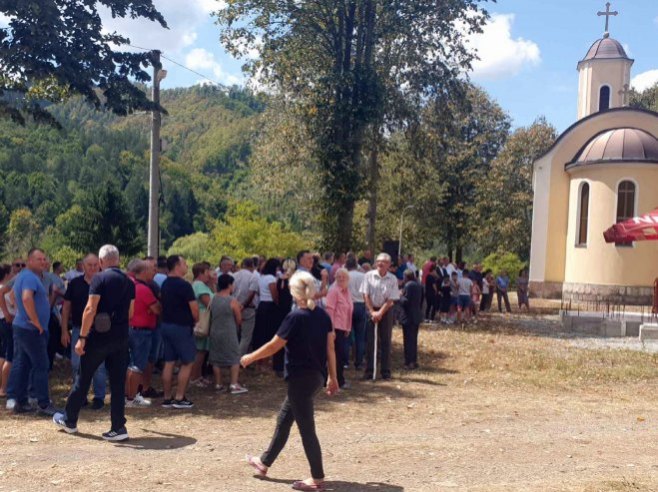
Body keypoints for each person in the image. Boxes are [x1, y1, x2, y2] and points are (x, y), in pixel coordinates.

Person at [242, 271, 338, 491]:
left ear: (295, 292)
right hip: (316, 377)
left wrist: (250, 357)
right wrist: (332, 377)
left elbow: (275, 345)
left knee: (307, 429)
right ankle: (264, 462)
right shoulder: (323, 316)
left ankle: (317, 478)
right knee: (285, 419)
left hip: (300, 379)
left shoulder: (295, 317)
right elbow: (330, 348)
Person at [53, 244, 135, 440]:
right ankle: (118, 427)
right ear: (119, 260)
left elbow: (90, 309)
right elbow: (131, 313)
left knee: (83, 377)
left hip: (98, 338)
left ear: (101, 262)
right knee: (116, 383)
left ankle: (70, 419)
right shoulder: (128, 281)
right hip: (121, 338)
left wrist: (81, 337)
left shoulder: (99, 278)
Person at [6, 248, 58, 416]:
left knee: (23, 364)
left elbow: (13, 296)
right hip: (31, 329)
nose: (43, 262)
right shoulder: (29, 277)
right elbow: (27, 297)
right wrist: (36, 321)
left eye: (44, 259)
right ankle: (43, 403)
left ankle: (20, 401)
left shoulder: (23, 276)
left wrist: (21, 312)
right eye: (38, 259)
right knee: (41, 365)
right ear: (29, 261)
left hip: (23, 327)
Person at [60, 253, 106, 410]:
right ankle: (80, 396)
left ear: (99, 265)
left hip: (99, 330)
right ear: (83, 266)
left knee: (99, 366)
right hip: (78, 329)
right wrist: (64, 330)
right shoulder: (74, 283)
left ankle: (99, 398)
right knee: (76, 363)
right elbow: (66, 308)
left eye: (95, 265)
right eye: (89, 265)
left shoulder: (104, 283)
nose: (92, 268)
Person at [159, 255, 199, 409]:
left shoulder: (165, 284)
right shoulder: (184, 285)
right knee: (187, 362)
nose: (187, 266)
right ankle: (180, 397)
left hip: (166, 325)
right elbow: (194, 309)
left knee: (169, 362)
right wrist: (196, 320)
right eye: (184, 263)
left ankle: (167, 397)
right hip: (181, 327)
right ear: (177, 266)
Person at [125, 260, 160, 408]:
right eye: (151, 269)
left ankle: (130, 395)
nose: (154, 272)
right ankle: (131, 398)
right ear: (143, 272)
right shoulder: (143, 289)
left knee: (131, 365)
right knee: (137, 365)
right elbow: (157, 309)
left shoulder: (129, 285)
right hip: (141, 331)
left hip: (130, 329)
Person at [360, 253, 400, 380]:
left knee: (386, 341)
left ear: (389, 264)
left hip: (386, 310)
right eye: (378, 261)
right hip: (371, 309)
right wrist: (372, 312)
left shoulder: (392, 279)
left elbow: (391, 299)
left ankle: (385, 371)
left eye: (383, 262)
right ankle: (369, 370)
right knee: (370, 341)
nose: (380, 264)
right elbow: (365, 295)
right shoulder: (368, 276)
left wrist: (380, 313)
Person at [209, 274, 247, 394]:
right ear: (229, 285)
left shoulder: (213, 298)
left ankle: (218, 384)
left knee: (216, 358)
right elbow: (239, 319)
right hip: (228, 331)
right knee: (234, 357)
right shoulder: (232, 300)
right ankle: (234, 383)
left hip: (214, 330)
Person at [325, 268, 353, 389]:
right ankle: (337, 381)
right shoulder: (333, 291)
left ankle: (338, 379)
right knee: (336, 355)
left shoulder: (346, 291)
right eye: (339, 277)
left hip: (343, 327)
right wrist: (331, 330)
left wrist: (348, 327)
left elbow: (348, 311)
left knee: (341, 355)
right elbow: (329, 311)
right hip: (335, 328)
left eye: (344, 277)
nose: (341, 279)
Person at [252, 258, 280, 371]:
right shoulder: (271, 278)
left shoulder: (261, 277)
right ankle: (265, 361)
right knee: (268, 334)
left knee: (261, 333)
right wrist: (279, 303)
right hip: (270, 306)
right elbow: (274, 294)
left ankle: (259, 361)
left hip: (262, 305)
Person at [190, 262, 213, 388]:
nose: (209, 274)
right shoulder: (199, 286)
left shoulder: (203, 285)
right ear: (201, 273)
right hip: (203, 320)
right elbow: (208, 302)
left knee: (202, 351)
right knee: (199, 351)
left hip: (204, 320)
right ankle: (194, 377)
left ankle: (198, 376)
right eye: (207, 272)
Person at [233, 258, 260, 356]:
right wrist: (243, 305)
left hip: (233, 307)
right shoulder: (253, 277)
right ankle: (239, 359)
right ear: (252, 265)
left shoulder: (234, 275)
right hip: (247, 309)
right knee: (246, 336)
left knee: (234, 334)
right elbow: (251, 293)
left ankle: (231, 357)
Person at [399, 269, 423, 369]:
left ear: (406, 277)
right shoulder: (418, 285)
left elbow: (406, 302)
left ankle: (409, 362)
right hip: (416, 315)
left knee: (408, 340)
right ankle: (414, 360)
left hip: (408, 317)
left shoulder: (408, 286)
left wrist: (400, 296)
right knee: (413, 340)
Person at [345, 257, 366, 370]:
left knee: (346, 334)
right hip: (360, 304)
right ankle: (358, 361)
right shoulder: (362, 276)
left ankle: (345, 361)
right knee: (360, 336)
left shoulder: (345, 276)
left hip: (348, 305)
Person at [0, 265, 14, 399]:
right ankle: (4, 387)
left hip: (1, 323)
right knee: (10, 356)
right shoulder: (7, 290)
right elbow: (15, 304)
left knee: (2, 354)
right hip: (8, 322)